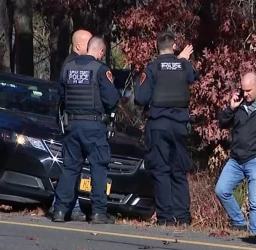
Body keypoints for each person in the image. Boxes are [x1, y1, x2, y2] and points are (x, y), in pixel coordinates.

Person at [51, 35, 120, 224]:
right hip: (94, 126)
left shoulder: (67, 68)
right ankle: (98, 212)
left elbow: (61, 96)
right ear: (100, 51)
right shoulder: (100, 70)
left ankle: (59, 210)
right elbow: (112, 100)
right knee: (98, 167)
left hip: (72, 125)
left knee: (70, 168)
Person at [133, 31, 196, 226]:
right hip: (179, 126)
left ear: (157, 47)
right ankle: (184, 218)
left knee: (161, 170)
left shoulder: (151, 69)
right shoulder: (184, 65)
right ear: (174, 46)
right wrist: (181, 60)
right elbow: (193, 77)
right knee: (178, 170)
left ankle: (166, 218)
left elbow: (140, 98)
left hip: (159, 125)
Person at [50, 29, 93, 222]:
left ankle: (63, 206)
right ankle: (68, 206)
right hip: (73, 124)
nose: (92, 47)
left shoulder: (71, 64)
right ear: (78, 46)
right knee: (72, 167)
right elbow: (63, 94)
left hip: (71, 124)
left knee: (72, 167)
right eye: (88, 43)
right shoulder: (73, 65)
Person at [214, 72, 256, 235]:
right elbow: (222, 123)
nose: (246, 94)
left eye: (249, 90)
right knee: (222, 190)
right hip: (236, 159)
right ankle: (239, 222)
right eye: (243, 90)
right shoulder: (239, 104)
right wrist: (231, 108)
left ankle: (255, 234)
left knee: (255, 201)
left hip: (255, 159)